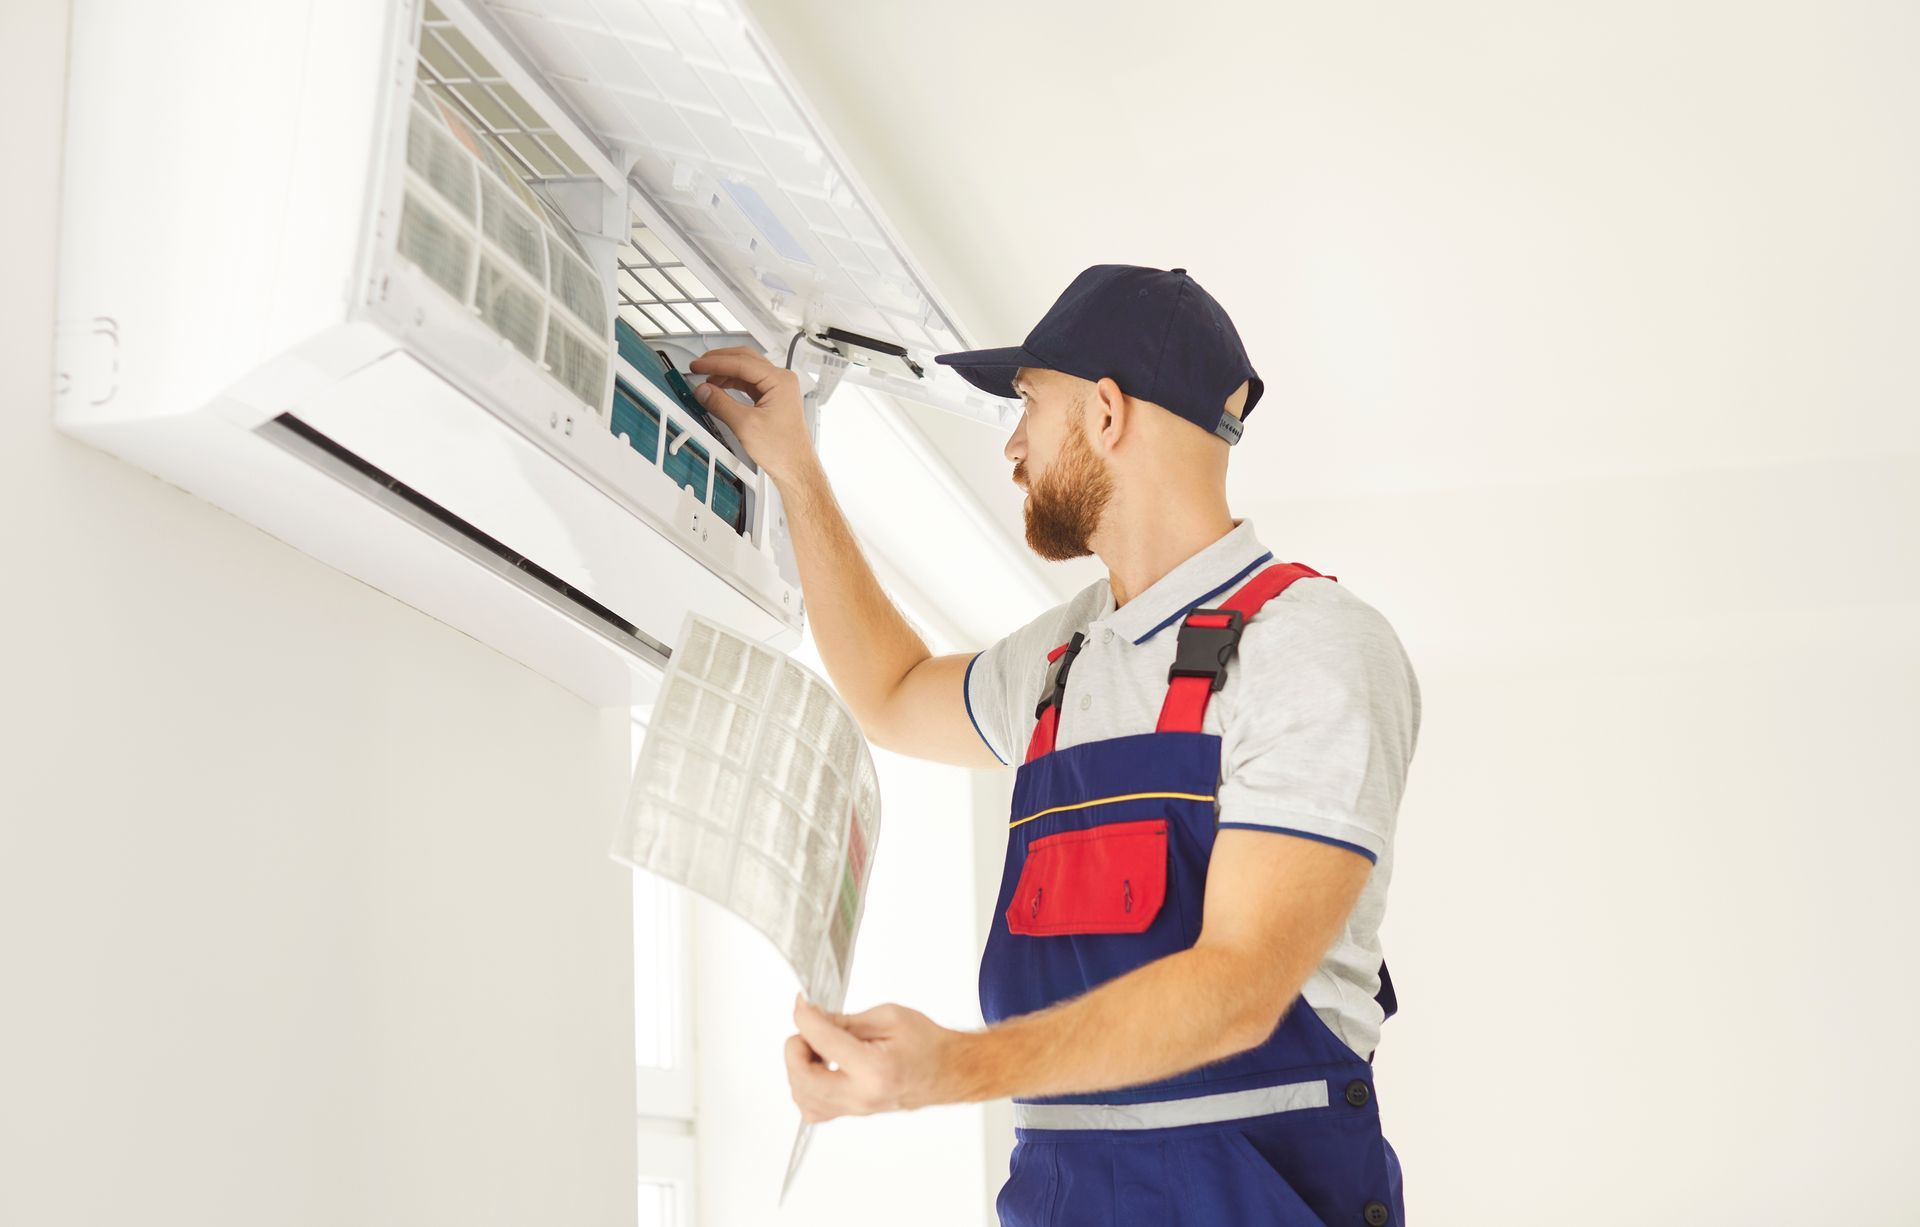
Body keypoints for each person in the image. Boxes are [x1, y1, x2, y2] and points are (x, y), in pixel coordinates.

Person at [687, 264, 1420, 1225]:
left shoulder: (1311, 644)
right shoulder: (1066, 657)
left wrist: (950, 1067)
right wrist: (796, 471)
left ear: (1107, 413)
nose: (1013, 444)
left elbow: (1240, 987)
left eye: (1028, 404)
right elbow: (894, 693)